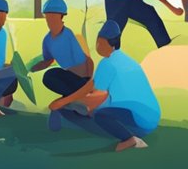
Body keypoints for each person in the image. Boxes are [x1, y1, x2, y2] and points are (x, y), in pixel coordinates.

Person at [49, 21, 161, 152]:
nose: (97, 46)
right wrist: (68, 102)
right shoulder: (122, 59)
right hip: (151, 116)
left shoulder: (108, 63)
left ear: (112, 44)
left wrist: (64, 102)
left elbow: (95, 93)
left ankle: (130, 140)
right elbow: (92, 88)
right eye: (98, 41)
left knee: (101, 115)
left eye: (101, 43)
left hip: (140, 120)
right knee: (89, 109)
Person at [31, 0, 94, 129]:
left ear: (61, 17)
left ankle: (73, 100)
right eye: (48, 17)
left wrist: (89, 81)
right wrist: (33, 68)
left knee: (74, 87)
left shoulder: (70, 34)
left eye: (54, 16)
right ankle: (75, 101)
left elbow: (88, 60)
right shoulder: (47, 40)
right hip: (68, 78)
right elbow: (48, 60)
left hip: (82, 79)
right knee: (49, 75)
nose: (51, 20)